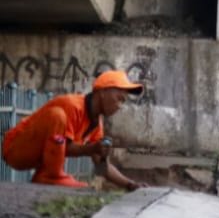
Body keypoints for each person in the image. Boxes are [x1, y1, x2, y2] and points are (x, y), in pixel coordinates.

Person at [1, 70, 142, 190]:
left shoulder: (96, 123)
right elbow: (65, 147)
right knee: (57, 116)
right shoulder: (73, 105)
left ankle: (44, 176)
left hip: (32, 153)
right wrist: (92, 148)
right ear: (103, 92)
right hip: (15, 148)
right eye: (119, 98)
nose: (120, 106)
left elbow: (101, 167)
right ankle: (51, 176)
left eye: (123, 101)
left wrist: (130, 185)